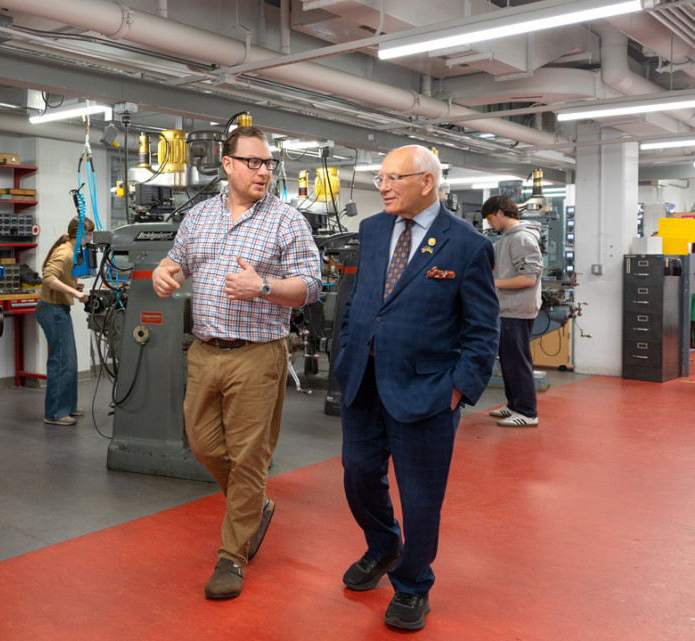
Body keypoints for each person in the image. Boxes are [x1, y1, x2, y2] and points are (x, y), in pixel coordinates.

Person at [332, 145, 499, 631]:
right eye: (380, 177)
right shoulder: (372, 229)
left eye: (392, 178)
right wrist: (346, 353)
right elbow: (361, 302)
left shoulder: (466, 244)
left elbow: (482, 330)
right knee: (358, 474)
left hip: (426, 391)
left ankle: (412, 584)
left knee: (421, 496)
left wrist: (458, 390)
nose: (381, 186)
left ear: (426, 182)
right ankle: (384, 547)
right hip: (363, 383)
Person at [152, 125, 321, 600]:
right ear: (227, 165)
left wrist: (264, 286)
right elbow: (177, 261)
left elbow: (311, 286)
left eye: (268, 163)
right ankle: (256, 507)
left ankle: (232, 556)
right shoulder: (200, 216)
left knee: (249, 457)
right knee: (203, 443)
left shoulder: (287, 221)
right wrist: (166, 274)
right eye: (253, 162)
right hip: (205, 352)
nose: (263, 171)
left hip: (258, 354)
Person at [482, 195, 543, 427]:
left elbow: (528, 277)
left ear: (500, 212)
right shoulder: (507, 238)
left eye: (489, 218)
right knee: (508, 361)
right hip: (507, 308)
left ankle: (528, 412)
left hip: (517, 309)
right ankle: (514, 405)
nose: (489, 223)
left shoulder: (522, 238)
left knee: (517, 361)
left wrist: (492, 284)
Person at [36, 216, 94, 426]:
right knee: (61, 361)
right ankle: (55, 413)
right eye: (89, 234)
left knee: (69, 360)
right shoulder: (64, 252)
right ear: (80, 235)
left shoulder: (71, 250)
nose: (90, 238)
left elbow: (59, 279)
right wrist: (75, 293)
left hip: (58, 309)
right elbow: (48, 278)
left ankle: (68, 406)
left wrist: (73, 286)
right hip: (51, 310)